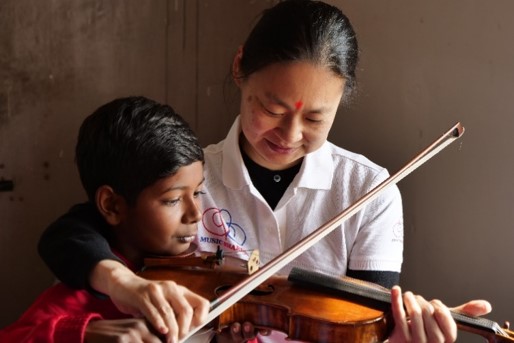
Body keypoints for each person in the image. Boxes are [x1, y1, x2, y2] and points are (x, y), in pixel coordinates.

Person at [37, 1, 491, 342]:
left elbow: (364, 323)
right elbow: (72, 233)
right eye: (271, 108)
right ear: (240, 69)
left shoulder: (369, 190)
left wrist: (403, 333)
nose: (289, 134)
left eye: (315, 118)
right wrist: (122, 280)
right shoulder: (191, 180)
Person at [0, 96, 215, 343]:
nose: (196, 213)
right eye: (173, 200)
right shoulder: (78, 292)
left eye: (198, 193)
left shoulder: (197, 280)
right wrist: (87, 333)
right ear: (112, 205)